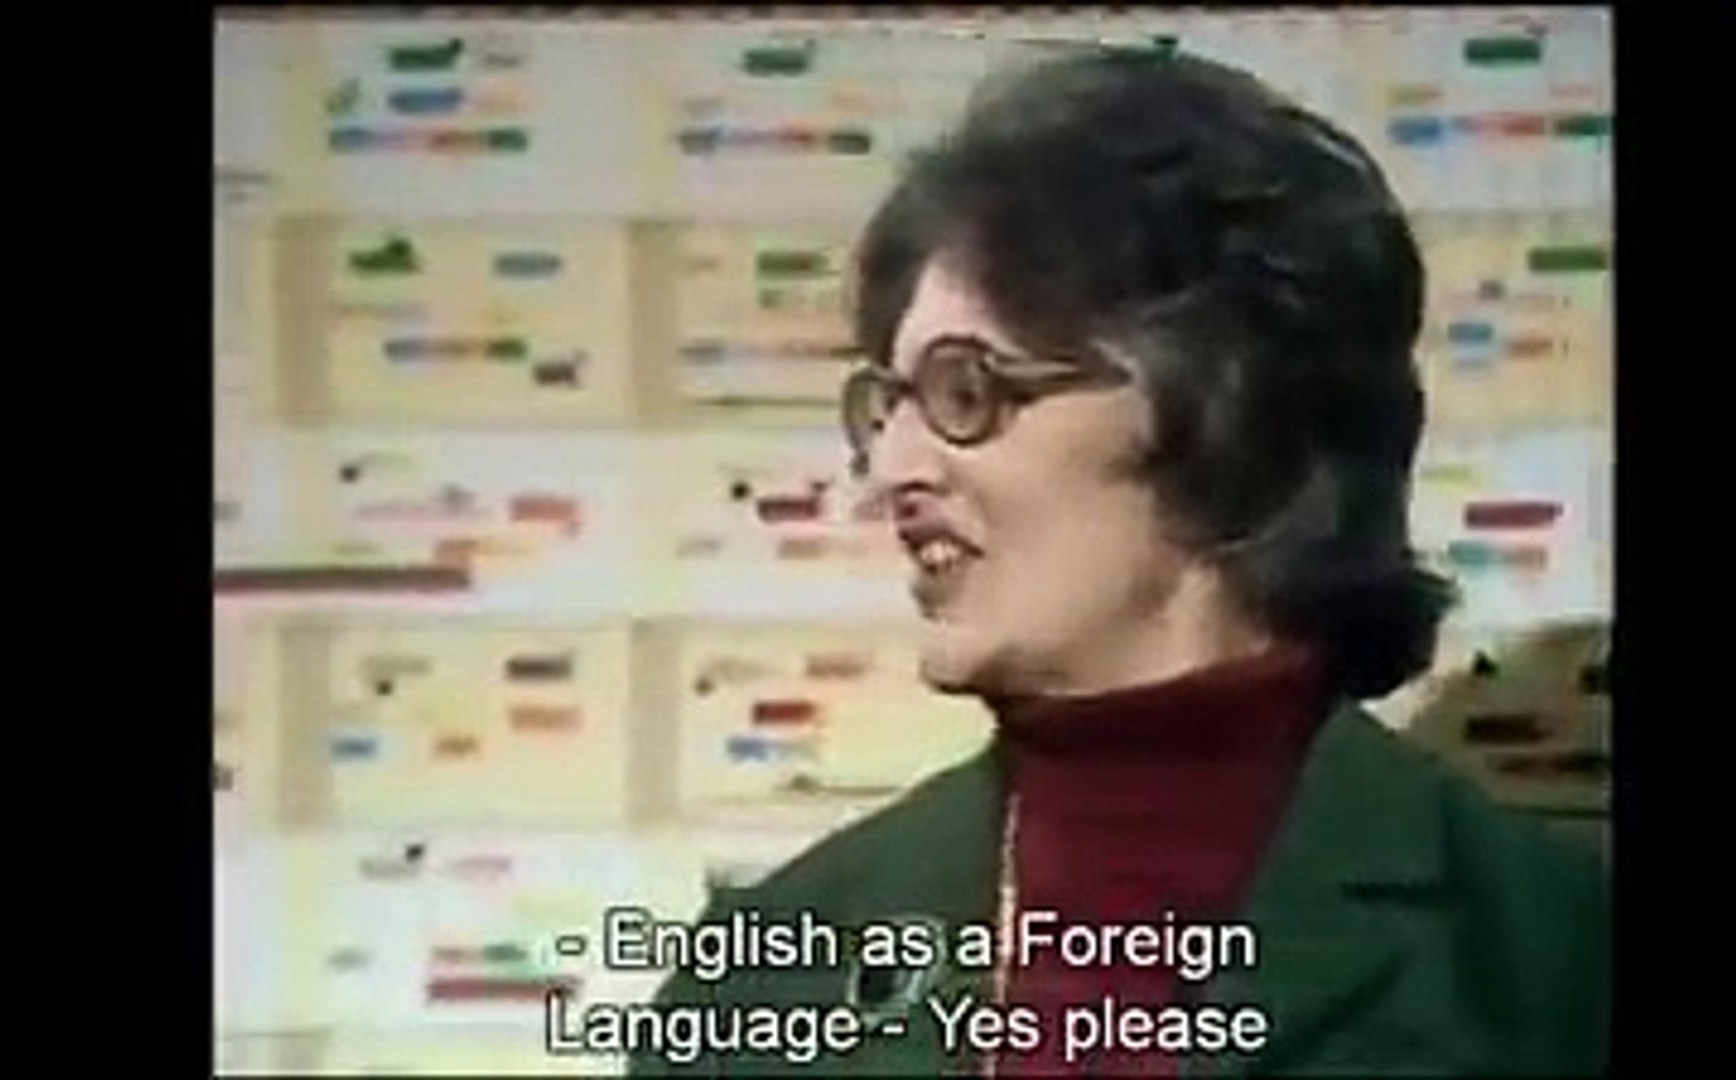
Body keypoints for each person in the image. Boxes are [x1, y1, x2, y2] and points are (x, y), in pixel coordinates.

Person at [630, 44, 1609, 1077]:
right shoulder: (763, 977)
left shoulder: (1550, 963)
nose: (888, 472)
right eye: (886, 408)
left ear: (1220, 406)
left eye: (965, 393)